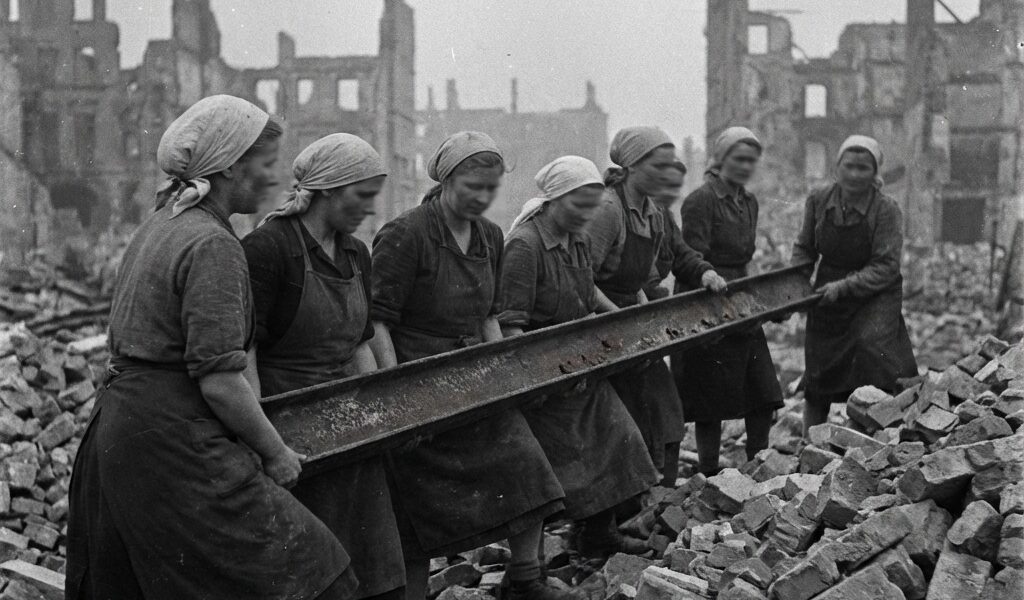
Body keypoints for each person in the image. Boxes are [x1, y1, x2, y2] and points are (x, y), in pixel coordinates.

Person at [66, 95, 353, 599]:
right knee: (317, 572)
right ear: (228, 168)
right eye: (266, 164)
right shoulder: (213, 243)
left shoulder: (162, 223)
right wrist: (275, 453)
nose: (274, 177)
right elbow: (220, 380)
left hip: (120, 429)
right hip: (172, 438)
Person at [369, 131, 570, 600]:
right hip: (418, 381)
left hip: (473, 378)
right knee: (414, 509)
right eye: (472, 187)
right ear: (444, 182)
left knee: (526, 465)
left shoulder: (489, 236)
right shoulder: (406, 234)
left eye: (490, 188)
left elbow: (489, 316)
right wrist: (395, 395)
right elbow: (377, 322)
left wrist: (500, 378)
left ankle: (525, 579)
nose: (482, 197)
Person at [242, 133, 404, 600]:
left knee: (373, 558)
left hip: (347, 419)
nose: (369, 209)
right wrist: (263, 440)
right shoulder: (269, 249)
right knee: (309, 567)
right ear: (328, 190)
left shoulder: (356, 253)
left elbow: (360, 344)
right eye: (362, 196)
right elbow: (245, 352)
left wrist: (379, 413)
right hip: (291, 424)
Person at [499, 156, 661, 557]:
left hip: (578, 368)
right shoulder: (525, 245)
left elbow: (586, 299)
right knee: (544, 474)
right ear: (554, 200)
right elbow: (511, 327)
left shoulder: (577, 243)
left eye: (593, 206)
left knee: (618, 435)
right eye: (579, 205)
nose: (587, 214)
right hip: (541, 379)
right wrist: (535, 384)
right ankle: (529, 567)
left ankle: (597, 533)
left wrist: (623, 327)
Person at [587, 126, 726, 487]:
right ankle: (625, 500)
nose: (666, 174)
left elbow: (645, 273)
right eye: (658, 166)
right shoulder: (607, 209)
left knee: (665, 409)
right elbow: (580, 279)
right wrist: (618, 315)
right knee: (618, 418)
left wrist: (702, 273)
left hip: (633, 317)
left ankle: (664, 497)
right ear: (632, 166)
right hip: (597, 322)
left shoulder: (654, 211)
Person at [673, 127, 784, 475]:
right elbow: (690, 258)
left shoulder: (748, 202)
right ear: (721, 159)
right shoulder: (701, 201)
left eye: (751, 160)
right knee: (710, 400)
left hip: (740, 302)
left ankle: (757, 466)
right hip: (706, 301)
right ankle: (708, 473)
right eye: (739, 159)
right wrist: (710, 281)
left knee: (762, 391)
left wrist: (760, 299)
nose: (746, 166)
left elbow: (745, 258)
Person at [792, 135, 917, 435]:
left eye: (864, 168)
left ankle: (873, 433)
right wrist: (796, 285)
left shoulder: (886, 209)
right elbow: (805, 248)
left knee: (871, 350)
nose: (855, 174)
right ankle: (811, 442)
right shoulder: (819, 200)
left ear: (875, 173)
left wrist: (843, 287)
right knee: (819, 366)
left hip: (876, 291)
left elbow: (886, 266)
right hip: (828, 289)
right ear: (837, 168)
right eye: (849, 166)